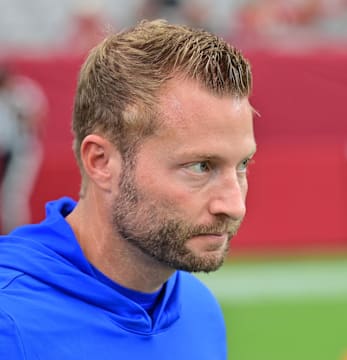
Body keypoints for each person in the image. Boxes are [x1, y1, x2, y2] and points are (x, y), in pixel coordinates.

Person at [0, 20, 256, 359]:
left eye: (242, 165)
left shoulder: (199, 309)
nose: (234, 205)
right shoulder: (11, 321)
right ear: (102, 162)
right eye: (200, 166)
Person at [0, 65, 47, 234]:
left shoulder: (23, 93)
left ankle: (15, 232)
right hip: (6, 150)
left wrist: (19, 114)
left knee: (14, 196)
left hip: (22, 150)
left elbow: (35, 118)